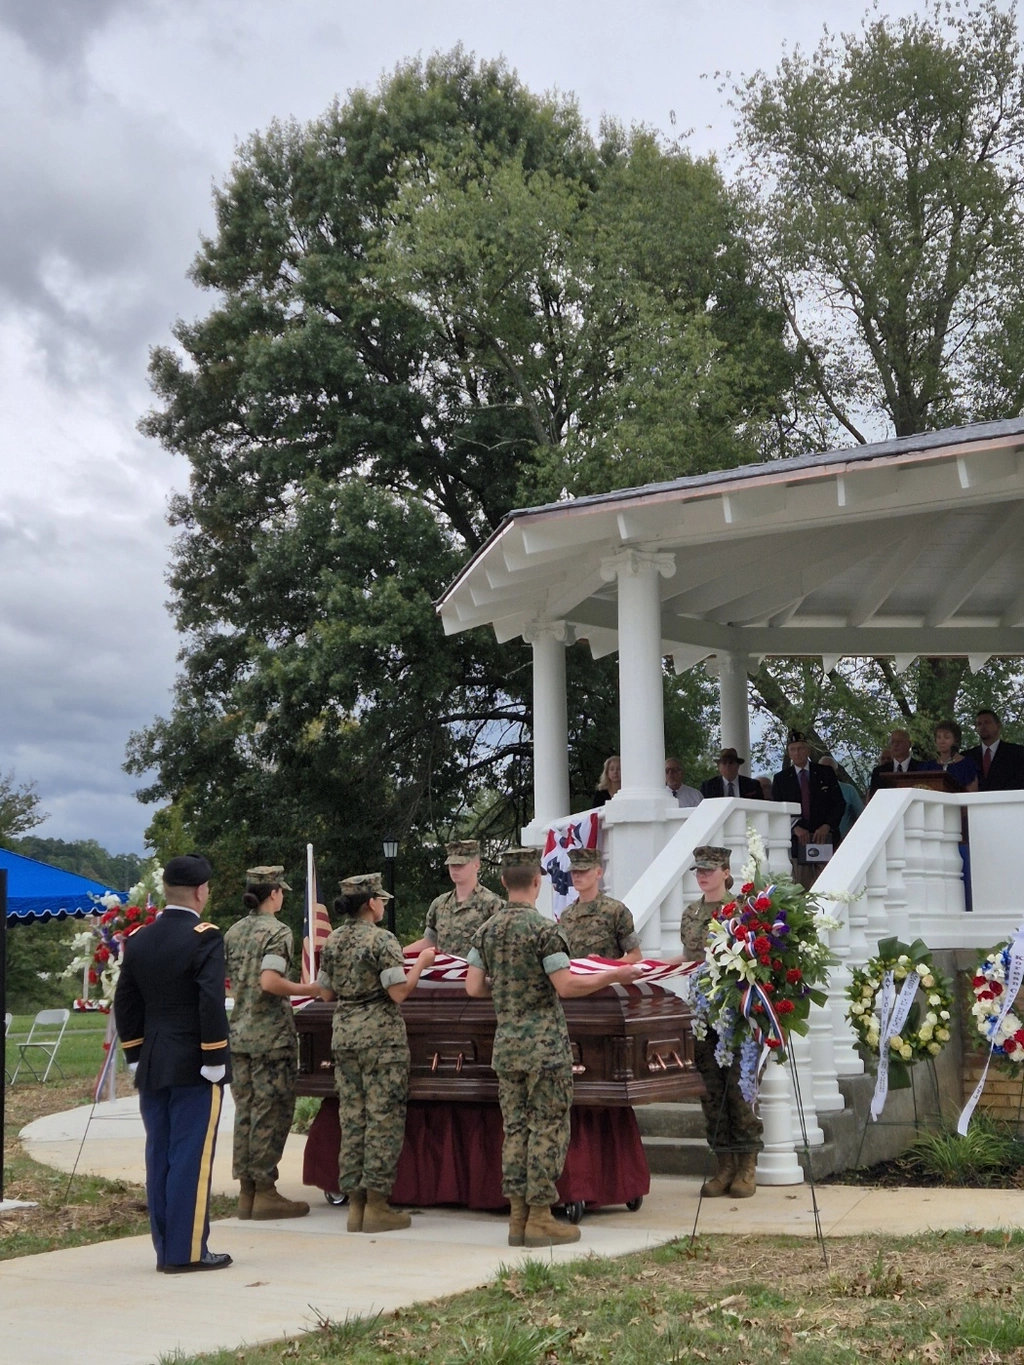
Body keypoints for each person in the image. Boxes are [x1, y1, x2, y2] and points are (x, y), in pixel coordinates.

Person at [465, 848, 642, 1249]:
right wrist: (614, 975)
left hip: (507, 1046)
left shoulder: (486, 931)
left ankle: (517, 1218)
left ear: (505, 884)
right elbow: (566, 985)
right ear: (537, 883)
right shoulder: (547, 930)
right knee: (547, 1128)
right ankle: (541, 1217)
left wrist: (508, 984)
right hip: (544, 1047)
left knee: (515, 1130)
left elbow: (473, 987)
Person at [114, 853, 233, 1273]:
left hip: (153, 1059)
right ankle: (186, 1253)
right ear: (201, 891)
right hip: (195, 1062)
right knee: (190, 1156)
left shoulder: (142, 937)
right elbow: (209, 1000)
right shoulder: (205, 936)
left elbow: (125, 1000)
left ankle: (167, 1248)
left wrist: (133, 1052)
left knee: (160, 1153)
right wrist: (216, 1055)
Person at [317, 874, 434, 1234]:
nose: (383, 904)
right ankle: (378, 1205)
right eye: (381, 899)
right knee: (383, 1119)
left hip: (345, 1036)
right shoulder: (383, 940)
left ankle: (355, 1206)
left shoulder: (334, 940)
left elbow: (325, 994)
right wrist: (421, 963)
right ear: (371, 903)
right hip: (381, 1040)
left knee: (353, 1119)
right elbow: (398, 992)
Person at [223, 865, 318, 1221]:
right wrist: (310, 989)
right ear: (274, 893)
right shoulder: (278, 932)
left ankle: (247, 1191)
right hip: (271, 1037)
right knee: (271, 1112)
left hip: (240, 1034)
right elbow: (270, 981)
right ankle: (265, 1190)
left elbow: (231, 982)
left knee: (246, 1113)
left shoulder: (233, 932)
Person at [680, 846, 762, 1198]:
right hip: (703, 1014)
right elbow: (689, 958)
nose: (703, 875)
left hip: (734, 1011)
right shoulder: (691, 913)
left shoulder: (741, 910)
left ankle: (746, 1165)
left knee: (738, 1088)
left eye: (709, 870)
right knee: (710, 1090)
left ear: (726, 872)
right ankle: (724, 1164)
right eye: (698, 870)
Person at [771, 731, 845, 888]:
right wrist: (795, 828)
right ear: (789, 752)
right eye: (793, 749)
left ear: (808, 750)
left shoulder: (825, 772)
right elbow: (777, 811)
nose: (797, 753)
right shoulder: (781, 779)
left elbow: (839, 803)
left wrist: (827, 826)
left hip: (824, 838)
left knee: (828, 885)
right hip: (799, 841)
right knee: (801, 887)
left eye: (800, 748)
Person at [407, 840, 503, 957]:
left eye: (460, 865)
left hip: (476, 973)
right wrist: (397, 955)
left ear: (476, 865)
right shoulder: (439, 904)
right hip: (445, 973)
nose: (455, 869)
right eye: (452, 865)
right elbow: (430, 942)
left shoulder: (492, 904)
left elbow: (502, 948)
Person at [558, 847, 642, 961]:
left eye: (583, 870)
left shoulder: (615, 911)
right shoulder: (566, 915)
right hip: (577, 977)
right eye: (574, 871)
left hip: (609, 978)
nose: (576, 875)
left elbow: (635, 956)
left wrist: (605, 966)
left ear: (598, 873)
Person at [964, 709, 1024, 791]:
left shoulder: (1017, 753)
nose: (983, 726)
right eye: (979, 724)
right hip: (975, 802)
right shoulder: (967, 757)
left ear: (998, 726)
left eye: (987, 722)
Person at [868, 728, 929, 795]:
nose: (895, 745)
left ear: (909, 744)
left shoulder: (922, 769)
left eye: (899, 741)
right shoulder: (879, 772)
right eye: (892, 742)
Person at [818, 755, 865, 837]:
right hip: (817, 841)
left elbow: (861, 815)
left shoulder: (848, 790)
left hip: (844, 840)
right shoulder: (810, 790)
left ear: (835, 771)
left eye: (829, 768)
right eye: (822, 768)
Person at [929, 720, 978, 792]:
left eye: (946, 737)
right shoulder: (929, 767)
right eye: (938, 737)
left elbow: (972, 795)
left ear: (955, 740)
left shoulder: (967, 765)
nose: (942, 741)